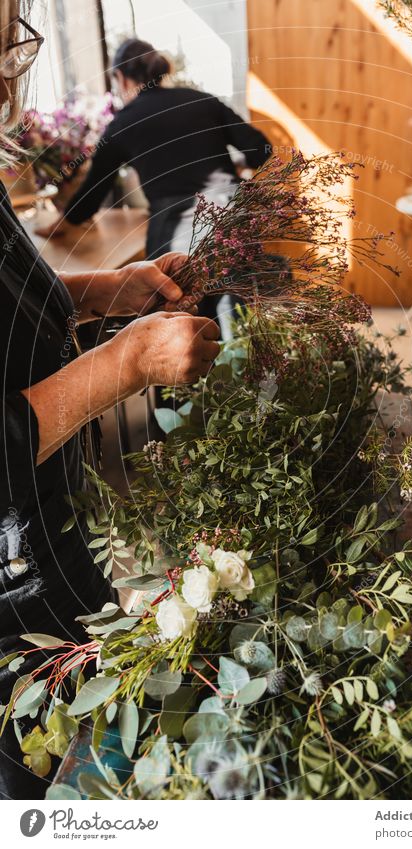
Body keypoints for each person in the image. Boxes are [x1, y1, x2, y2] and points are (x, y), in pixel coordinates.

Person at [0, 4, 220, 799]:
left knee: (101, 688)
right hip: (9, 570)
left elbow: (11, 292)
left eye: (11, 45)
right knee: (43, 766)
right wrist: (126, 362)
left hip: (47, 529)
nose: (9, 76)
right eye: (1, 50)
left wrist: (108, 291)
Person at [38, 37, 271, 326]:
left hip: (176, 233)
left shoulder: (123, 124)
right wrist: (231, 165)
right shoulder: (201, 100)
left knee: (188, 330)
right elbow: (261, 149)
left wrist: (59, 226)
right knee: (244, 325)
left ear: (121, 78)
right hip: (235, 217)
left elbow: (93, 191)